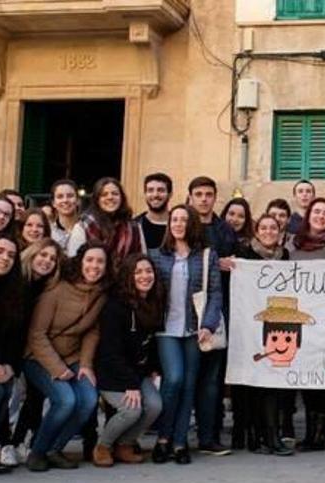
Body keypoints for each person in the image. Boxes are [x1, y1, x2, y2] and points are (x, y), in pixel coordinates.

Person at [24, 242, 109, 472]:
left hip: (73, 357)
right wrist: (58, 369)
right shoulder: (57, 290)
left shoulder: (100, 294)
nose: (94, 266)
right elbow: (36, 335)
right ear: (80, 262)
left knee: (89, 400)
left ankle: (55, 448)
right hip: (38, 358)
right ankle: (38, 452)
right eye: (90, 260)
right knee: (66, 400)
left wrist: (86, 364)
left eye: (100, 261)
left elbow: (92, 331)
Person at [149, 205, 222, 465]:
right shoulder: (156, 256)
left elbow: (215, 293)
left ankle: (180, 443)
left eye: (183, 220)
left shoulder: (206, 255)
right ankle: (163, 439)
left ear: (192, 224)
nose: (178, 224)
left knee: (190, 385)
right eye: (174, 220)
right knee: (175, 380)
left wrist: (209, 324)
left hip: (194, 329)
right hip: (165, 329)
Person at [92, 254, 164, 467]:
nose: (145, 276)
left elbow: (150, 342)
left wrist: (153, 368)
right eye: (138, 272)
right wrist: (130, 384)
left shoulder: (153, 302)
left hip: (137, 372)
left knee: (154, 406)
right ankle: (103, 446)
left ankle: (124, 444)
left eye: (148, 271)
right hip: (112, 372)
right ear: (128, 276)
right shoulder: (115, 306)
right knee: (131, 410)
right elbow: (111, 351)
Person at [234, 215, 296, 456]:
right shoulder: (245, 254)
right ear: (256, 232)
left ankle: (270, 435)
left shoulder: (285, 256)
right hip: (249, 325)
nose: (269, 231)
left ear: (280, 233)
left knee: (272, 383)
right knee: (255, 384)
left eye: (273, 228)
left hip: (277, 326)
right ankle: (260, 436)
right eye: (264, 228)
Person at [0, 238, 62, 467]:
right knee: (4, 394)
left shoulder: (45, 287)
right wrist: (5, 363)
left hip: (26, 350)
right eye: (42, 255)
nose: (47, 261)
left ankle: (16, 442)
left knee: (35, 395)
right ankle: (5, 443)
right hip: (9, 351)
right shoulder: (15, 282)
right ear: (31, 254)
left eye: (52, 259)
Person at [288, 197, 325, 451]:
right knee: (308, 377)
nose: (321, 216)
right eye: (317, 212)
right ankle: (311, 433)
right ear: (308, 215)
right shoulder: (293, 245)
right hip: (302, 321)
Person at [186, 177, 236, 457]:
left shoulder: (225, 230)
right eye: (198, 194)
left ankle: (210, 436)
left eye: (208, 194)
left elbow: (235, 264)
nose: (204, 199)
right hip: (183, 315)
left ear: (215, 197)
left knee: (212, 380)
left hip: (217, 311)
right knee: (183, 378)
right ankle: (176, 434)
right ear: (190, 196)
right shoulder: (181, 224)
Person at [67, 178, 143, 267]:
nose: (110, 197)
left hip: (126, 279)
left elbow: (142, 260)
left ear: (122, 198)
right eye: (104, 194)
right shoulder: (83, 226)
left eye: (115, 194)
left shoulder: (135, 227)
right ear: (97, 200)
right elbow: (74, 262)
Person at [0, 234, 21, 474]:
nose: (5, 258)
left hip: (3, 360)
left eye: (11, 255)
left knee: (4, 388)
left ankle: (3, 442)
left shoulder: (13, 290)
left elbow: (14, 335)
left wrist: (9, 365)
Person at [136, 173, 173, 250]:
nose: (155, 195)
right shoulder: (135, 226)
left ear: (170, 194)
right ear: (145, 194)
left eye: (161, 190)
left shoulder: (180, 225)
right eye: (150, 190)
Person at [49, 180, 80, 252]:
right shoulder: (48, 232)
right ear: (53, 203)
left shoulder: (87, 228)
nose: (65, 200)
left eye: (70, 196)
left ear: (78, 200)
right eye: (60, 197)